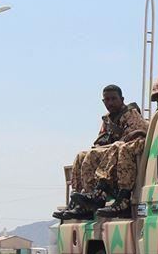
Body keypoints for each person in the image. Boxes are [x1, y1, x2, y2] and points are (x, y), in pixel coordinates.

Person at [93, 76, 158, 218]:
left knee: (123, 148)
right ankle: (95, 194)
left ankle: (123, 197)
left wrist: (139, 133)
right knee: (94, 153)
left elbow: (152, 137)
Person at [53, 85, 146, 220]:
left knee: (110, 149)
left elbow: (138, 135)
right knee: (82, 155)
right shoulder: (108, 120)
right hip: (114, 149)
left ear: (122, 99)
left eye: (113, 99)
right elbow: (101, 140)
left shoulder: (130, 114)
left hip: (129, 149)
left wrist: (112, 145)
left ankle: (99, 193)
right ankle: (80, 201)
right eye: (107, 100)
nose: (110, 103)